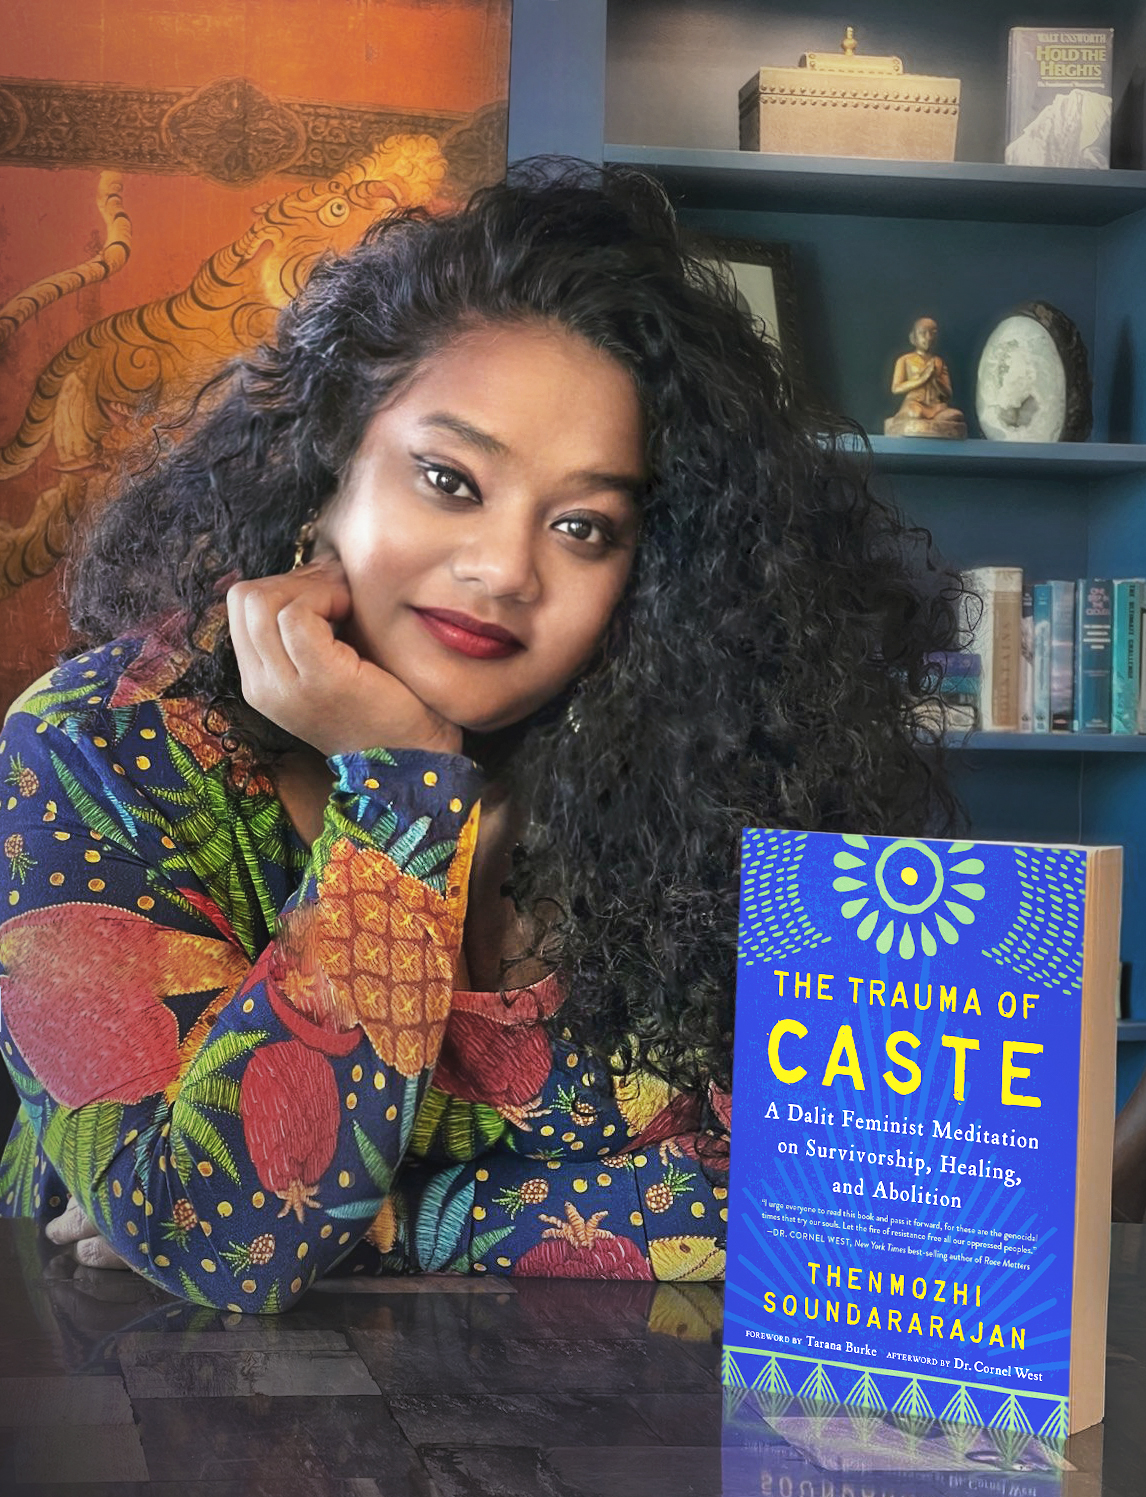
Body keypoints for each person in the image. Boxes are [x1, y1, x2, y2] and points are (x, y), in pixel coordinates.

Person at [0, 162, 961, 1310]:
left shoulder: (714, 777)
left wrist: (388, 1227)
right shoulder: (103, 745)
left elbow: (855, 1204)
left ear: (649, 574)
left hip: (632, 1450)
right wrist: (402, 788)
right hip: (142, 1426)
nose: (506, 570)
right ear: (327, 471)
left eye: (583, 527)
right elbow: (218, 1233)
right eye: (450, 479)